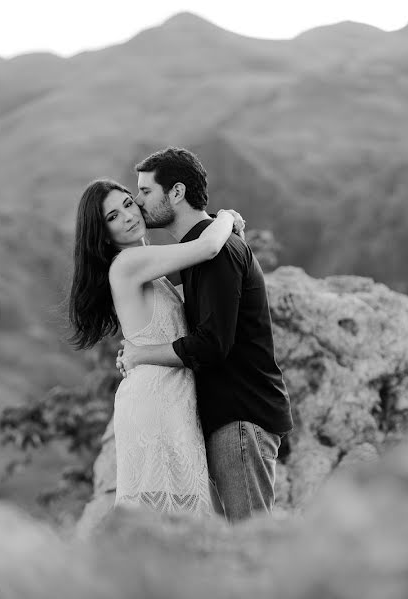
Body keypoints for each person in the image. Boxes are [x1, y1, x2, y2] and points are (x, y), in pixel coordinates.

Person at [117, 147, 293, 523]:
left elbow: (212, 344)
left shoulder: (218, 255)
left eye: (146, 191)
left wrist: (140, 353)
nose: (137, 201)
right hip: (229, 420)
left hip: (240, 420)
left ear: (176, 193)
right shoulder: (198, 253)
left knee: (251, 543)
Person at [68, 178, 243, 516]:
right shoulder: (128, 264)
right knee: (167, 517)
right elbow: (207, 248)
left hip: (171, 398)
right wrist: (225, 217)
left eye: (128, 204)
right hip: (155, 403)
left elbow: (201, 274)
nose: (129, 217)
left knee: (178, 515)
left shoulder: (150, 268)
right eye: (113, 217)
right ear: (102, 234)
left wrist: (136, 351)